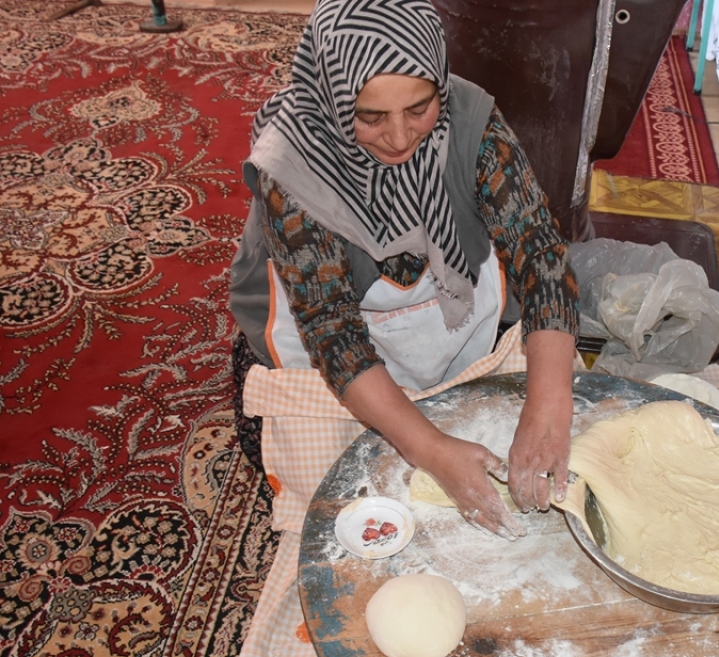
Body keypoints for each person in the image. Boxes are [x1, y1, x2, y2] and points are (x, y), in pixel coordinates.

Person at [228, 0, 580, 542]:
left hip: (451, 320)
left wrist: (550, 404)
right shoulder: (293, 161)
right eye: (369, 117)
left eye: (419, 108)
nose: (399, 137)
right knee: (342, 493)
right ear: (330, 98)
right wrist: (431, 448)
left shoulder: (471, 121)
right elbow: (330, 329)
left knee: (550, 405)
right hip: (325, 347)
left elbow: (541, 256)